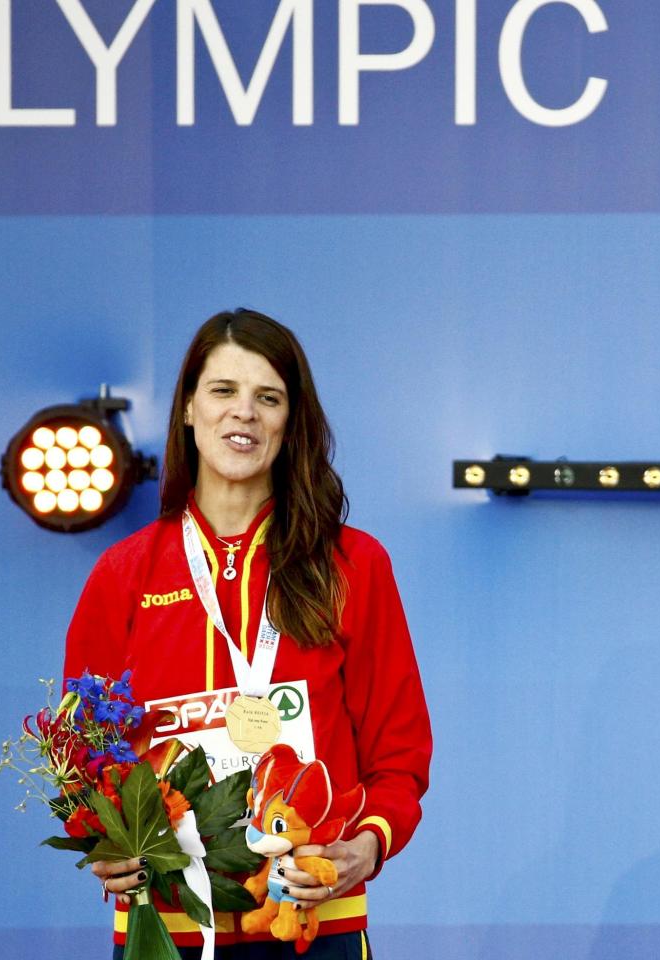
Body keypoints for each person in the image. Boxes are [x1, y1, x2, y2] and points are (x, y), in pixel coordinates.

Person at [63, 309, 432, 959]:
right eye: (223, 391)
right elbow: (79, 756)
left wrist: (365, 845)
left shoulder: (353, 564)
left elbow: (399, 759)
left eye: (269, 397)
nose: (245, 414)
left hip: (309, 922)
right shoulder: (122, 575)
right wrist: (99, 838)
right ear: (186, 409)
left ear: (292, 423)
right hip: (165, 926)